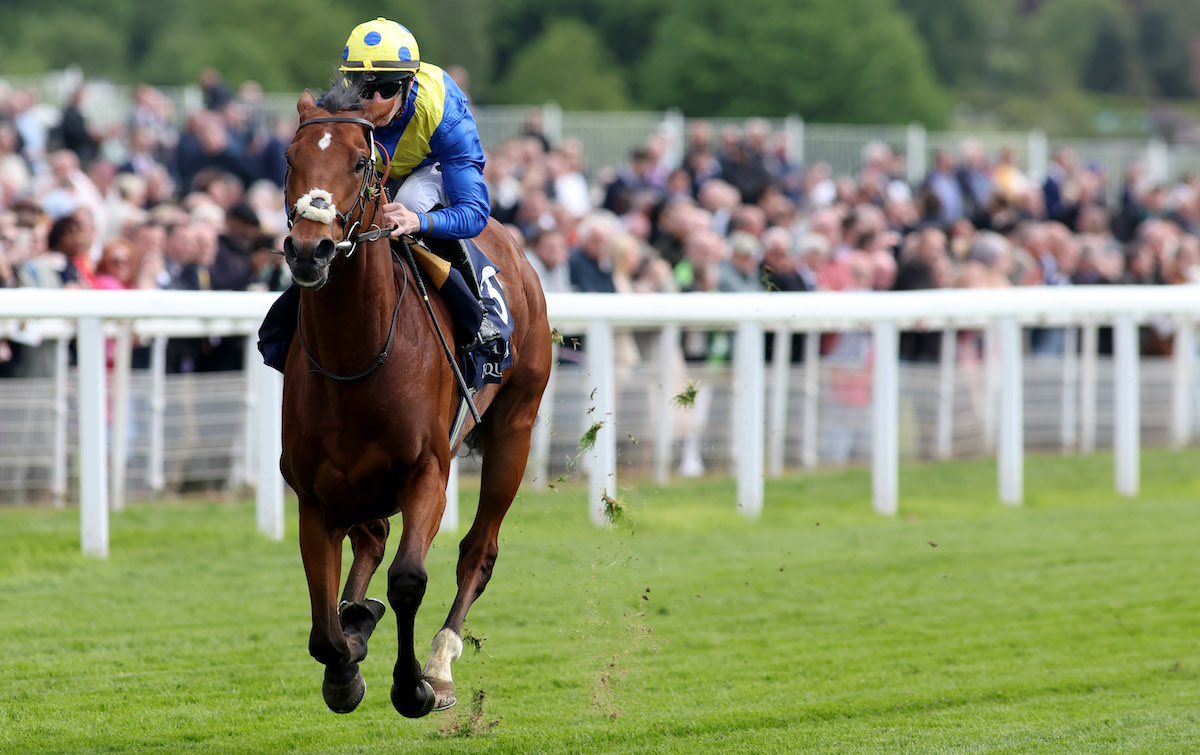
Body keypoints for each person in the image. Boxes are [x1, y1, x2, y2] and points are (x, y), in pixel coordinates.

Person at [339, 17, 498, 352]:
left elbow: (474, 213)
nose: (374, 101)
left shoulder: (443, 109)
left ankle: (478, 316)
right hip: (372, 173)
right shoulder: (337, 109)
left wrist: (420, 221)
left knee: (409, 199)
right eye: (363, 88)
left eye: (388, 87)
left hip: (428, 170)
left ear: (409, 83)